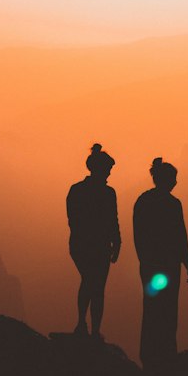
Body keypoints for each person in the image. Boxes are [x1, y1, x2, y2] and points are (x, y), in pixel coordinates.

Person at [133, 157, 188, 369]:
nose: (176, 182)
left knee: (152, 307)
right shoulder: (173, 204)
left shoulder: (143, 201)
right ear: (165, 179)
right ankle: (167, 351)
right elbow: (181, 236)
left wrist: (144, 260)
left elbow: (138, 236)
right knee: (168, 308)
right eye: (174, 178)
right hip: (169, 265)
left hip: (152, 265)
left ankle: (150, 353)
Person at [66, 143, 121, 340]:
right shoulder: (105, 193)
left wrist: (117, 241)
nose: (109, 174)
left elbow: (74, 221)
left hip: (86, 245)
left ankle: (86, 326)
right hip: (93, 245)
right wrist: (116, 241)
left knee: (92, 283)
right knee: (94, 284)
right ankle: (89, 328)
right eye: (108, 169)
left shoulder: (78, 190)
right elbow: (110, 220)